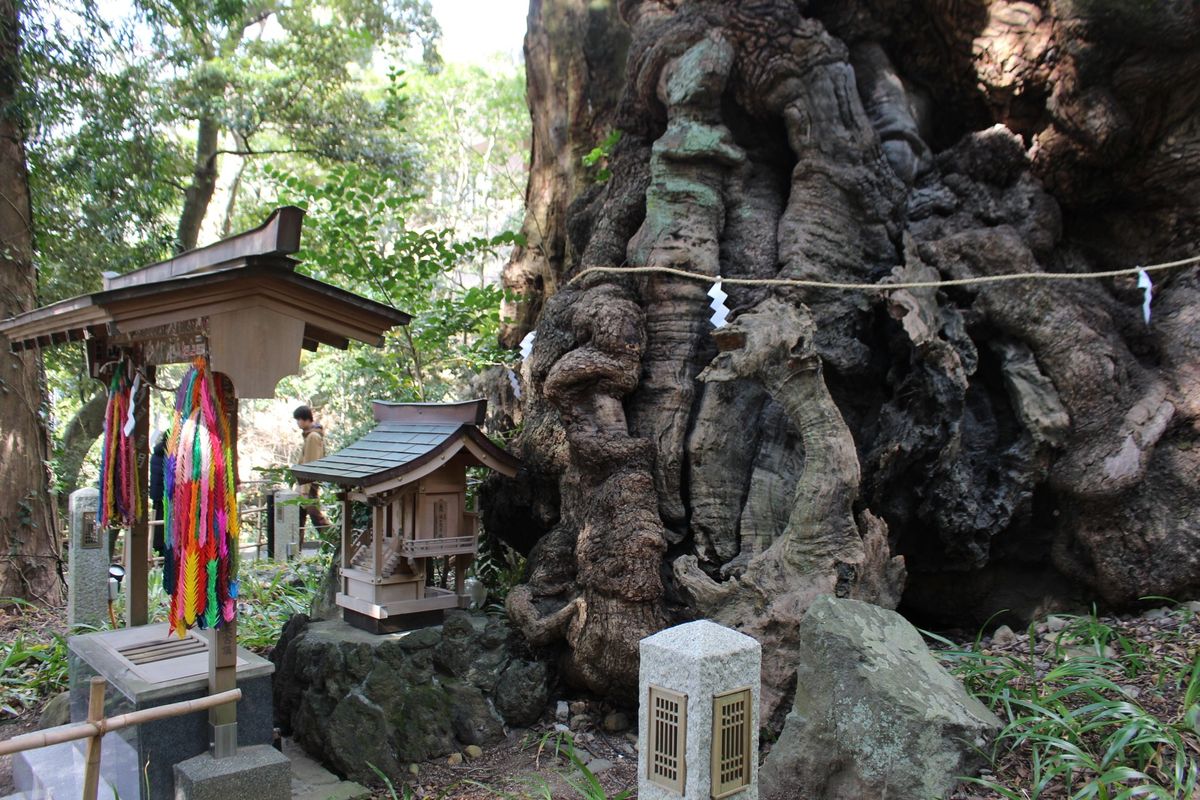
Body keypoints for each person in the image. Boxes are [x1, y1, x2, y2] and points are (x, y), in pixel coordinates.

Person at [293, 405, 330, 553]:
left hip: (309, 484)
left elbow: (310, 462)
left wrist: (304, 488)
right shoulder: (311, 435)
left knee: (316, 517)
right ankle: (295, 550)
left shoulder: (313, 437)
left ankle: (336, 542)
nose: (297, 423)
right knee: (299, 517)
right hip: (306, 483)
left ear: (305, 419)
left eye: (298, 420)